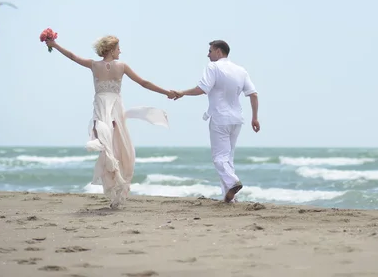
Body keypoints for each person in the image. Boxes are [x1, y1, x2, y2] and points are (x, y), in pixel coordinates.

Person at [45, 35, 175, 208]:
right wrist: (166, 92)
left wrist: (54, 44)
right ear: (111, 50)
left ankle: (113, 184)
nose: (120, 51)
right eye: (118, 48)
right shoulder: (121, 66)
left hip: (102, 106)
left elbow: (72, 57)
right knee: (119, 147)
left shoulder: (94, 65)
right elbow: (144, 83)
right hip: (115, 107)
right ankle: (118, 189)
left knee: (108, 149)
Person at [172, 40, 259, 203]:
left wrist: (182, 92)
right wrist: (255, 117)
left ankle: (233, 183)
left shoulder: (213, 67)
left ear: (219, 52)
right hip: (237, 120)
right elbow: (253, 94)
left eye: (210, 51)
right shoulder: (241, 70)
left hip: (220, 118)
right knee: (228, 158)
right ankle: (229, 197)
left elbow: (202, 89)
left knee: (219, 158)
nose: (208, 54)